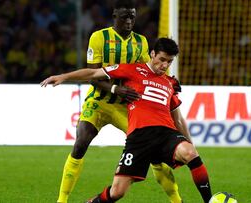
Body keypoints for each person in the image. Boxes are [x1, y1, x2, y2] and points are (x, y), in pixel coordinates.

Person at [41, 37, 213, 203]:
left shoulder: (169, 83)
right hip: (139, 137)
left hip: (166, 133)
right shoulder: (132, 70)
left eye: (169, 62)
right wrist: (64, 76)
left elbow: (179, 119)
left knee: (190, 153)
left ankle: (209, 201)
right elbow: (94, 73)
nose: (164, 65)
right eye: (162, 59)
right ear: (152, 54)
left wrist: (192, 146)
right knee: (117, 192)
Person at [55, 1, 183, 203]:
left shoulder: (141, 42)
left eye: (132, 16)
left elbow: (147, 72)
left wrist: (167, 82)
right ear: (114, 16)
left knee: (155, 154)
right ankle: (62, 200)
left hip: (126, 106)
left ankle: (177, 200)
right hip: (99, 101)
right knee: (81, 143)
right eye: (125, 16)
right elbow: (93, 75)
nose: (129, 21)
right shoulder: (99, 37)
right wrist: (115, 88)